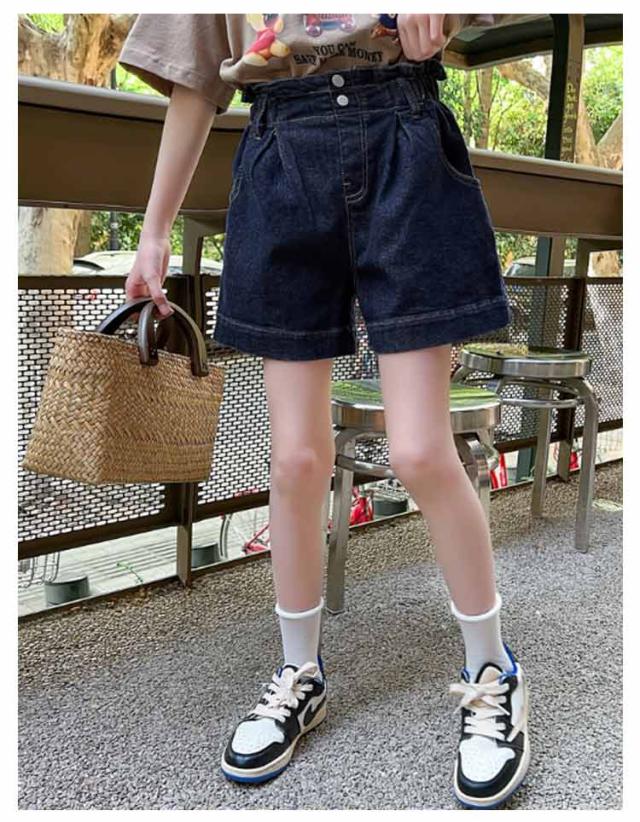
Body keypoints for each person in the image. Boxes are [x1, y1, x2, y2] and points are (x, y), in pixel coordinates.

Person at [119, 13, 530, 810]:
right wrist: (154, 232)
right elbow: (195, 79)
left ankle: (492, 669)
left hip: (405, 137)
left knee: (420, 450)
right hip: (281, 155)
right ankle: (299, 671)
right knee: (296, 459)